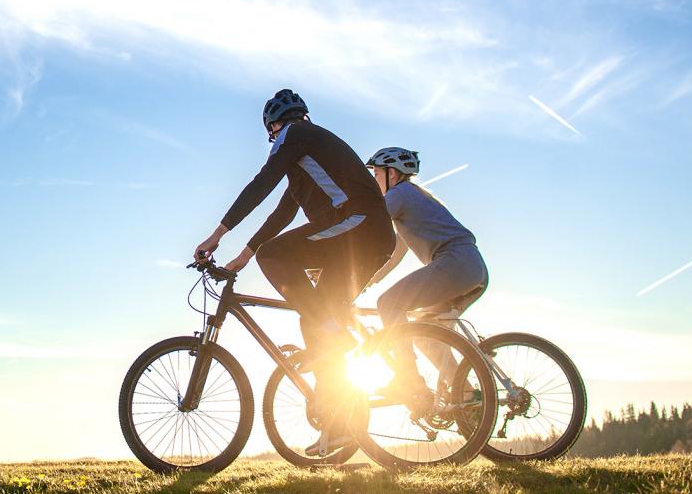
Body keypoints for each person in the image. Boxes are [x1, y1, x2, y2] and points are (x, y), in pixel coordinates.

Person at [193, 89, 395, 455]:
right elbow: (283, 212)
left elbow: (262, 183)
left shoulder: (295, 135)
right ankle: (340, 427)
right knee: (313, 321)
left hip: (359, 224)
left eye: (272, 133)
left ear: (274, 128)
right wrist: (242, 256)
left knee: (277, 259)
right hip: (365, 235)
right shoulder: (307, 161)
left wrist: (217, 234)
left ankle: (338, 333)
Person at [364, 147, 489, 395]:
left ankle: (407, 378)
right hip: (472, 268)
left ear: (393, 174)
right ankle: (466, 396)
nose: (374, 180)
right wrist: (365, 281)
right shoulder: (410, 201)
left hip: (454, 262)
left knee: (389, 304)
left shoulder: (401, 193)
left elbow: (367, 224)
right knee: (424, 334)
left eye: (377, 173)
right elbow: (392, 257)